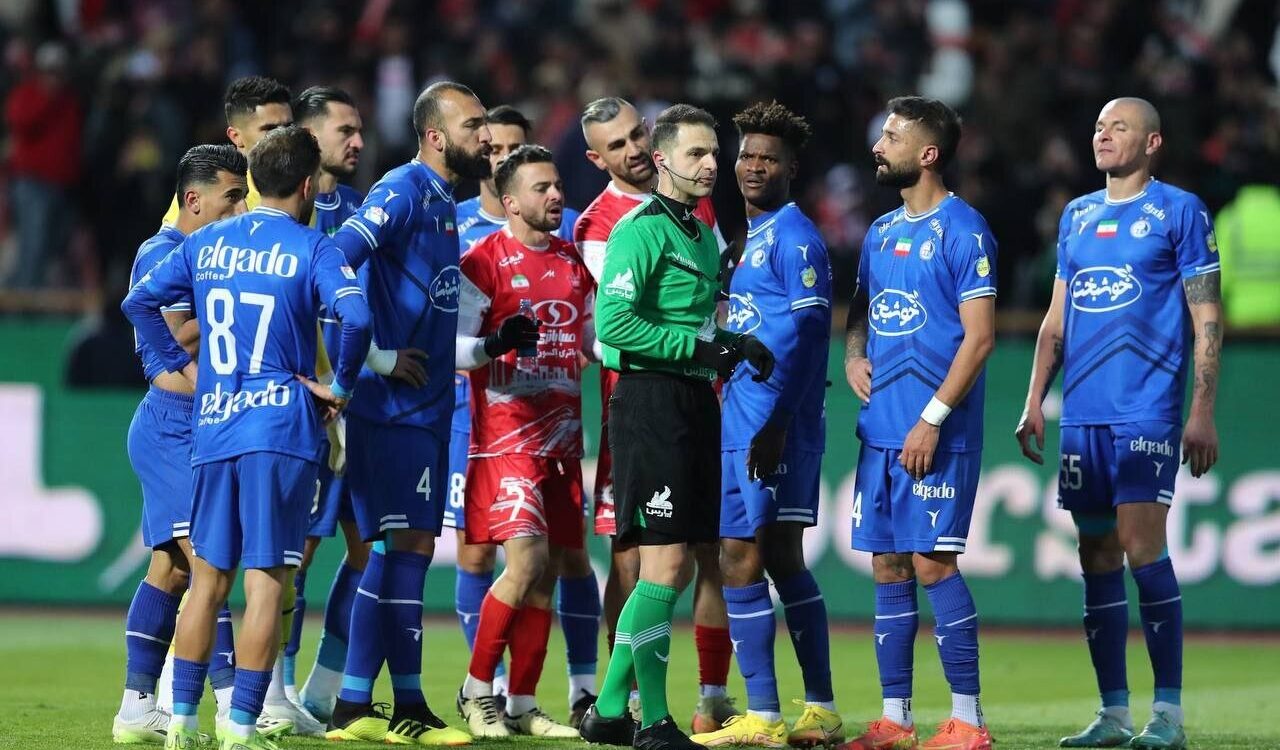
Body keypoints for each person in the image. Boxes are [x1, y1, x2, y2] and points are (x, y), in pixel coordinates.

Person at [121, 125, 373, 750]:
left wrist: (175, 368)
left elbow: (137, 304)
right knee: (265, 583)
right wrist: (341, 385)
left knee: (204, 581)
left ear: (256, 180)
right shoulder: (311, 246)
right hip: (276, 429)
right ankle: (240, 726)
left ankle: (181, 723)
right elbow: (357, 315)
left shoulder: (206, 243)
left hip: (212, 426)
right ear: (308, 185)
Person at [1016, 97, 1221, 750]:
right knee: (1096, 553)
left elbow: (1207, 319)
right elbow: (1056, 319)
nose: (1103, 135)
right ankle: (1112, 713)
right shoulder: (1076, 215)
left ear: (1153, 142)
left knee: (1140, 545)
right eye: (1099, 126)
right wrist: (1034, 398)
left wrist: (1201, 411)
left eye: (1120, 126)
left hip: (1146, 409)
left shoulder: (1180, 211)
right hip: (1083, 413)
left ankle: (1168, 714)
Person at [578, 103, 774, 750]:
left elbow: (699, 324)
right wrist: (698, 349)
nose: (712, 163)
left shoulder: (699, 233)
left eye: (714, 152)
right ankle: (654, 722)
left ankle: (610, 709)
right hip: (650, 403)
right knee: (662, 567)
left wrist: (735, 344)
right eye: (696, 153)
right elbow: (614, 326)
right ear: (661, 159)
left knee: (681, 565)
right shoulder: (639, 230)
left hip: (693, 402)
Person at [323, 81, 491, 746]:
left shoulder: (443, 200)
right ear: (436, 136)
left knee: (404, 552)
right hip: (392, 409)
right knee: (405, 552)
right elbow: (333, 258)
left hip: (427, 408)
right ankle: (400, 707)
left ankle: (357, 704)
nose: (485, 136)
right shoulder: (402, 189)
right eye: (473, 125)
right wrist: (373, 356)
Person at [841, 96, 996, 750]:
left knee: (932, 565)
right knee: (887, 566)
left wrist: (931, 419)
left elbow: (980, 339)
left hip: (935, 432)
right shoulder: (879, 232)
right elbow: (861, 308)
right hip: (879, 428)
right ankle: (896, 718)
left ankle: (969, 720)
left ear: (928, 154)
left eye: (893, 136)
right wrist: (853, 354)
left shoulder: (964, 230)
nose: (878, 146)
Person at [688, 101, 840, 749]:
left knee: (755, 554)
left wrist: (778, 421)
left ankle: (788, 712)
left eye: (768, 159)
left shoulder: (796, 238)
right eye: (747, 155)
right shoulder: (745, 240)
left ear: (790, 168)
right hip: (742, 417)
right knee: (758, 555)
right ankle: (795, 712)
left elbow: (811, 335)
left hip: (775, 424)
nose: (753, 166)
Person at [452, 104, 601, 722]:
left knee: (547, 575)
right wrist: (495, 343)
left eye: (558, 185)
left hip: (562, 441)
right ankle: (475, 689)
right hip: (505, 436)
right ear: (510, 201)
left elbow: (592, 341)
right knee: (527, 562)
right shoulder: (481, 261)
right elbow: (454, 348)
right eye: (542, 188)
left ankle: (522, 703)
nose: (556, 195)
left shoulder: (572, 262)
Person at [111, 144, 248, 745]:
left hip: (205, 422)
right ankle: (233, 703)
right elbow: (171, 337)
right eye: (231, 198)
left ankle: (136, 708)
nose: (240, 210)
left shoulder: (217, 253)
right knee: (210, 563)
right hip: (172, 425)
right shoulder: (163, 252)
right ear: (193, 199)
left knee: (170, 570)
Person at [160, 76, 293, 224]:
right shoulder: (205, 186)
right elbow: (171, 237)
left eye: (289, 127)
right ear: (236, 136)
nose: (285, 137)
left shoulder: (305, 187)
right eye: (270, 129)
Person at [2, 41, 81, 288]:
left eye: (59, 71)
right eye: (50, 71)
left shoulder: (69, 101)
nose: (54, 77)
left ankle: (28, 294)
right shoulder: (28, 94)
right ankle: (23, 301)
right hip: (32, 183)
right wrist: (46, 99)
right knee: (33, 244)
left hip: (61, 185)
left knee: (51, 246)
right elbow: (19, 121)